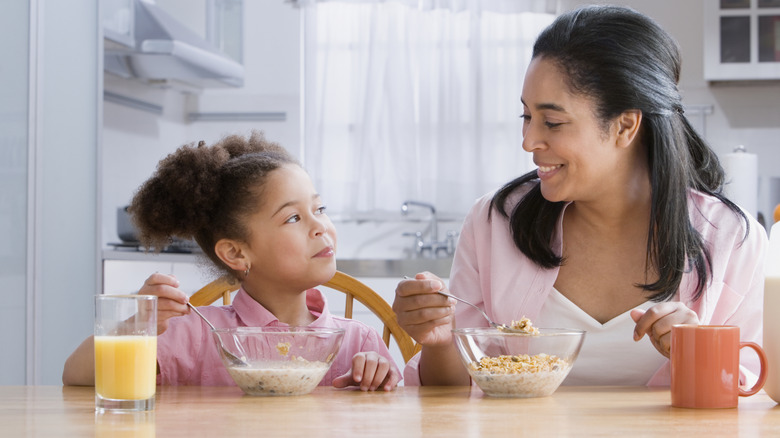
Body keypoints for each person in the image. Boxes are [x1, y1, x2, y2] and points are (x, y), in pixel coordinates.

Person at [393, 5, 767, 387]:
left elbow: (753, 397)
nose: (528, 141)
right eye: (526, 117)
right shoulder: (495, 222)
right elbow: (453, 394)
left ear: (624, 126)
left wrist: (700, 352)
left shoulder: (732, 240)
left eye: (552, 122)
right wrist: (438, 342)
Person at [63, 131, 401, 391]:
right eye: (294, 219)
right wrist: (137, 324)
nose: (320, 227)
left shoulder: (358, 342)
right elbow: (77, 376)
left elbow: (394, 413)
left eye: (319, 209)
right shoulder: (195, 335)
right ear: (236, 253)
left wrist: (377, 378)